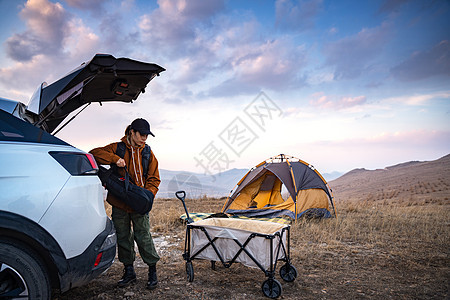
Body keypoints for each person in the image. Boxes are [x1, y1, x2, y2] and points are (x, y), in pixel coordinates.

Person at [90, 118, 161, 290]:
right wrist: (115, 159)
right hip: (120, 203)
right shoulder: (118, 148)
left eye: (147, 135)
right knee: (123, 237)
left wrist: (147, 196)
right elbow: (94, 153)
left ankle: (152, 270)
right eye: (142, 134)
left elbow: (154, 178)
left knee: (143, 236)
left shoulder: (148, 153)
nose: (145, 138)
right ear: (132, 132)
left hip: (139, 204)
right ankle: (129, 271)